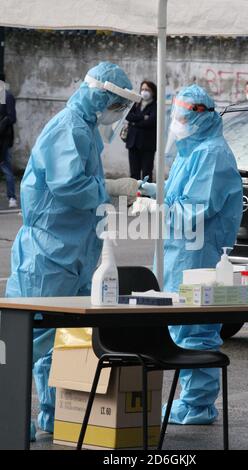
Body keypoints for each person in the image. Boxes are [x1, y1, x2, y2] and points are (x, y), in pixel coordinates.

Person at [5, 61, 141, 439]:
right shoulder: (68, 127)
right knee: (31, 339)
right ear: (101, 96)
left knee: (62, 339)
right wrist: (112, 189)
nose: (117, 111)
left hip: (73, 250)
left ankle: (52, 415)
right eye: (116, 102)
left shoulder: (85, 128)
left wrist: (116, 189)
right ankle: (11, 419)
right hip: (48, 253)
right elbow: (67, 186)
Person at [140, 85, 243, 424]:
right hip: (181, 251)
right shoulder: (193, 151)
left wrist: (160, 205)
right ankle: (191, 401)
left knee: (195, 328)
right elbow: (177, 194)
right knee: (182, 327)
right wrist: (148, 190)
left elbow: (194, 210)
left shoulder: (212, 153)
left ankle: (198, 405)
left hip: (198, 253)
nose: (178, 124)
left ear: (201, 116)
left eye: (184, 117)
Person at [126, 80, 157, 182]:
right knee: (134, 173)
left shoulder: (156, 106)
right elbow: (128, 116)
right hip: (133, 143)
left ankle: (146, 196)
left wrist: (134, 123)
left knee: (146, 173)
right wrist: (143, 117)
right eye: (142, 89)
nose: (144, 91)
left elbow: (151, 122)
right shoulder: (135, 103)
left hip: (147, 145)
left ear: (153, 91)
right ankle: (134, 195)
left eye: (147, 89)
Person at [0, 74, 17, 208]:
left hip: (4, 139)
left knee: (5, 166)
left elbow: (11, 117)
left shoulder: (7, 96)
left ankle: (12, 197)